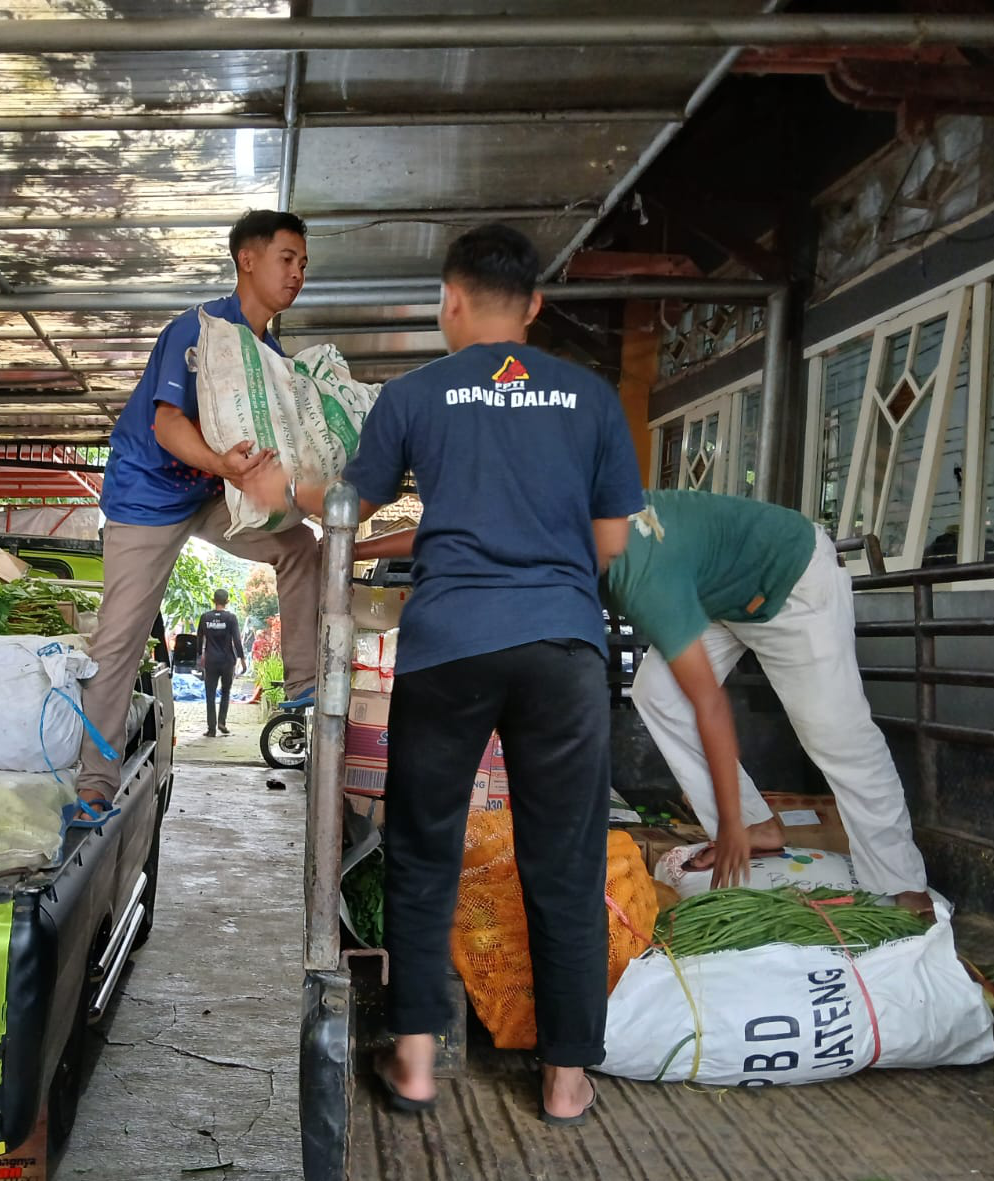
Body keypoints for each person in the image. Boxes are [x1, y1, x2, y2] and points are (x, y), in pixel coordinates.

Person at [245, 224, 644, 1126]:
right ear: (534, 306)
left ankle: (419, 1061)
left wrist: (283, 496)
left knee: (423, 851)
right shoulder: (590, 398)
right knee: (566, 861)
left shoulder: (419, 394)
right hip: (563, 651)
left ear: (452, 302)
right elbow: (613, 544)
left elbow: (350, 508)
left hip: (451, 644)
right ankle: (568, 1077)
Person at [74, 209, 320, 815]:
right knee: (120, 641)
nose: (298, 274)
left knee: (299, 544)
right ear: (248, 259)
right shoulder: (200, 330)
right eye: (287, 259)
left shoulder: (267, 350)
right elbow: (166, 423)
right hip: (149, 496)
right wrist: (225, 465)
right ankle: (93, 781)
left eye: (304, 264)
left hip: (211, 491)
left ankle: (305, 681)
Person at [604, 489, 931, 913]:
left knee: (834, 731)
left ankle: (902, 878)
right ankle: (756, 826)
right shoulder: (572, 550)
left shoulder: (635, 562)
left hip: (789, 578)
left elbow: (709, 703)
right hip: (715, 596)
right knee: (659, 695)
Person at [197, 589, 246, 737]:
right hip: (227, 661)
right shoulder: (231, 618)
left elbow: (199, 638)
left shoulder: (205, 617)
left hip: (211, 661)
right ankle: (221, 723)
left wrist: (200, 656)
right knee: (225, 692)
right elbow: (237, 640)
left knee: (210, 694)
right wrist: (242, 660)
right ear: (227, 601)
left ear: (213, 600)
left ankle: (211, 728)